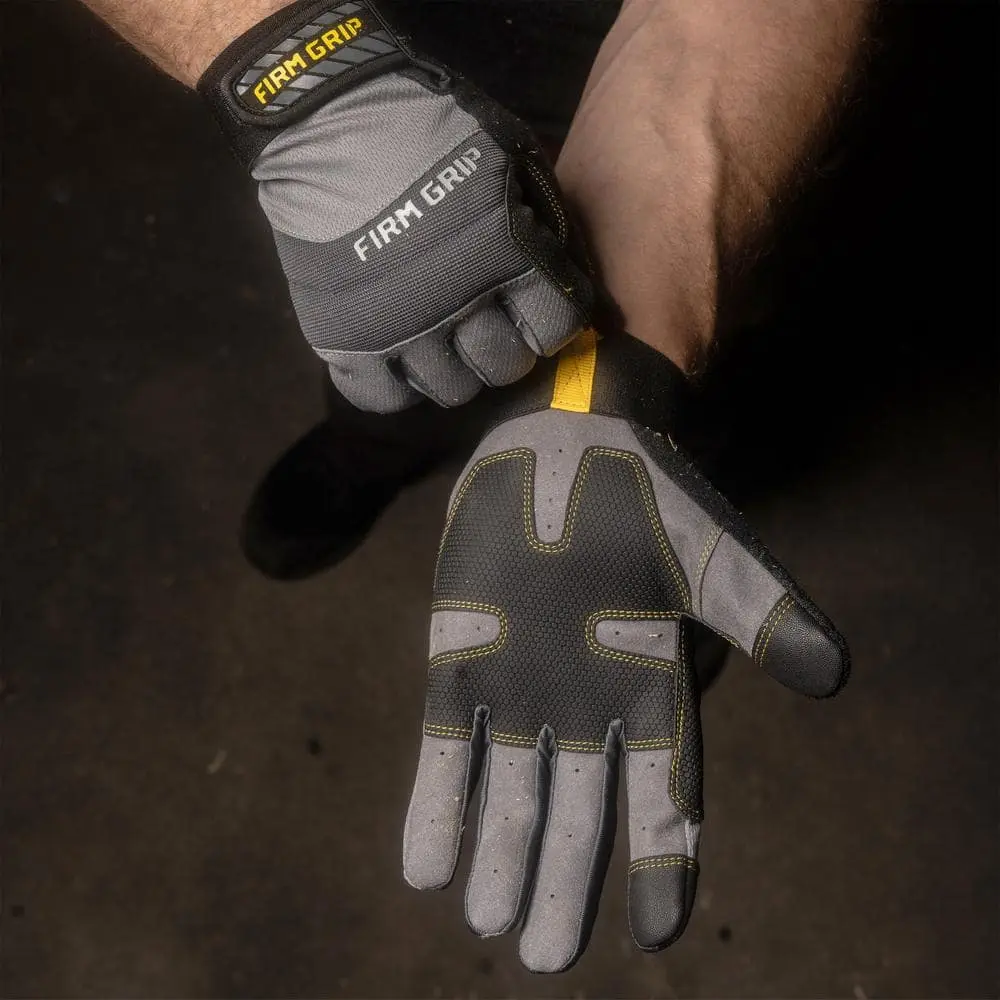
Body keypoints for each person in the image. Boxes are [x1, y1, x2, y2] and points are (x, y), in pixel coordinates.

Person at [77, 0, 869, 972]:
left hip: (633, 84)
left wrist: (606, 393)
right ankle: (369, 452)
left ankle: (649, 536)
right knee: (393, 340)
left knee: (677, 385)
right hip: (383, 41)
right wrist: (298, 73)